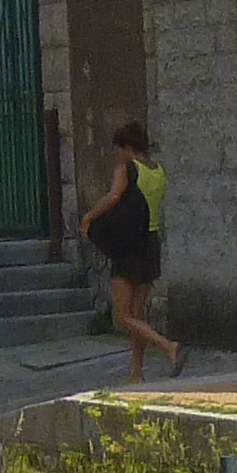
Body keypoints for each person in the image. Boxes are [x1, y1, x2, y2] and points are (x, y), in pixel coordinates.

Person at [82, 120, 182, 379]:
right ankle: (137, 371)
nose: (117, 154)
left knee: (123, 317)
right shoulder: (158, 171)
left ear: (127, 148)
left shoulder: (127, 168)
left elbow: (114, 196)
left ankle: (167, 346)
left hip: (129, 246)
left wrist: (89, 217)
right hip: (150, 243)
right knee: (137, 314)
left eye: (119, 149)